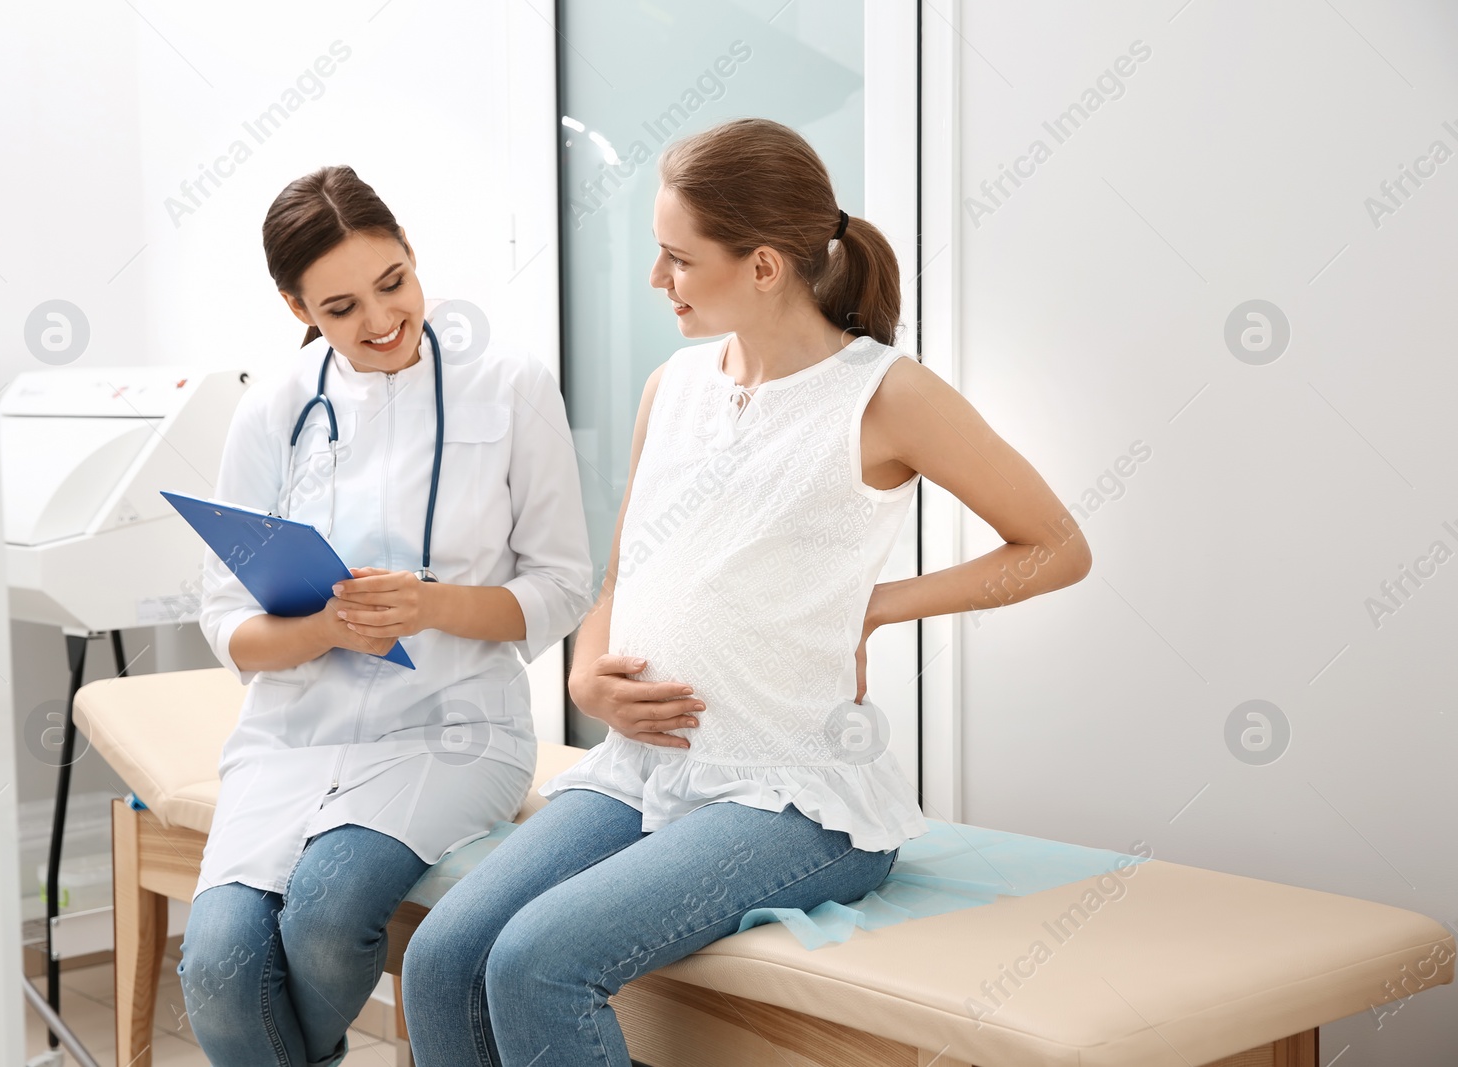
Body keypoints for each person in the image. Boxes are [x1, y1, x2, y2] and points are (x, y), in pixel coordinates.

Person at [400, 118, 1093, 1067]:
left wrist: (879, 603)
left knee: (535, 963)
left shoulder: (883, 394)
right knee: (441, 953)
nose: (657, 279)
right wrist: (588, 678)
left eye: (678, 258)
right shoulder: (672, 386)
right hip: (640, 770)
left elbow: (1056, 547)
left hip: (797, 797)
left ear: (764, 265)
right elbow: (620, 579)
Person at [175, 164, 594, 1067]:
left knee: (326, 915)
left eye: (392, 283)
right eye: (339, 307)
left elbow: (563, 587)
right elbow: (225, 623)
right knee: (216, 969)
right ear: (297, 309)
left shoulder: (512, 386)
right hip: (291, 738)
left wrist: (430, 603)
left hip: (453, 731)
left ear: (411, 255)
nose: (378, 321)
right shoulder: (271, 413)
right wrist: (325, 629)